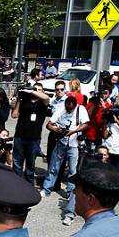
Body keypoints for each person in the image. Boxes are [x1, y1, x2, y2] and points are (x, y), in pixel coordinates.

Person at [41, 96, 90, 226]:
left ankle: (70, 193)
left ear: (74, 105)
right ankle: (46, 189)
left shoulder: (81, 109)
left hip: (74, 144)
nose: (68, 109)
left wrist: (74, 131)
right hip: (60, 142)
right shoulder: (61, 110)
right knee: (54, 166)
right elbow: (49, 124)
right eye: (67, 107)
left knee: (73, 171)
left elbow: (86, 125)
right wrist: (57, 130)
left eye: (70, 108)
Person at [12, 84, 50, 184]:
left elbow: (46, 98)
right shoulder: (25, 101)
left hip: (34, 138)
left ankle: (28, 186)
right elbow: (14, 115)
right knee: (17, 163)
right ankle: (15, 184)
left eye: (39, 90)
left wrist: (31, 91)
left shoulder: (43, 103)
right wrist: (20, 99)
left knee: (30, 165)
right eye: (34, 89)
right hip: (20, 136)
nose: (36, 91)